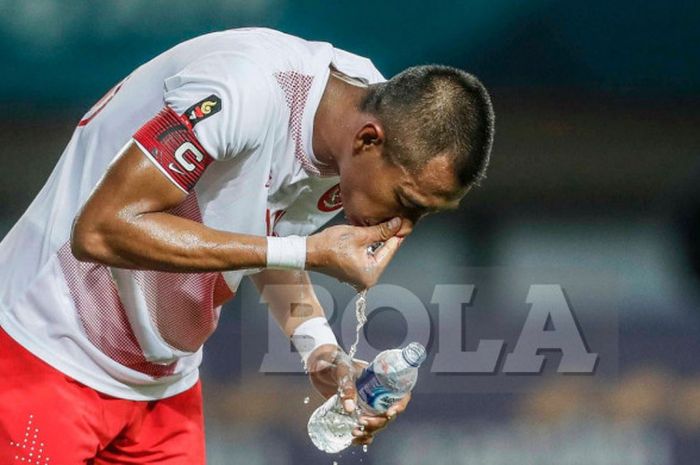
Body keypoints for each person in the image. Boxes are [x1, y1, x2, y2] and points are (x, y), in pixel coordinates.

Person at [0, 27, 494, 464]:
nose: (404, 227)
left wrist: (320, 350)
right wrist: (308, 254)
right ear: (369, 140)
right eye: (407, 201)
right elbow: (101, 230)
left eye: (425, 213)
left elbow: (270, 237)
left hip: (162, 389)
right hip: (42, 354)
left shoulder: (356, 125)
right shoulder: (244, 90)